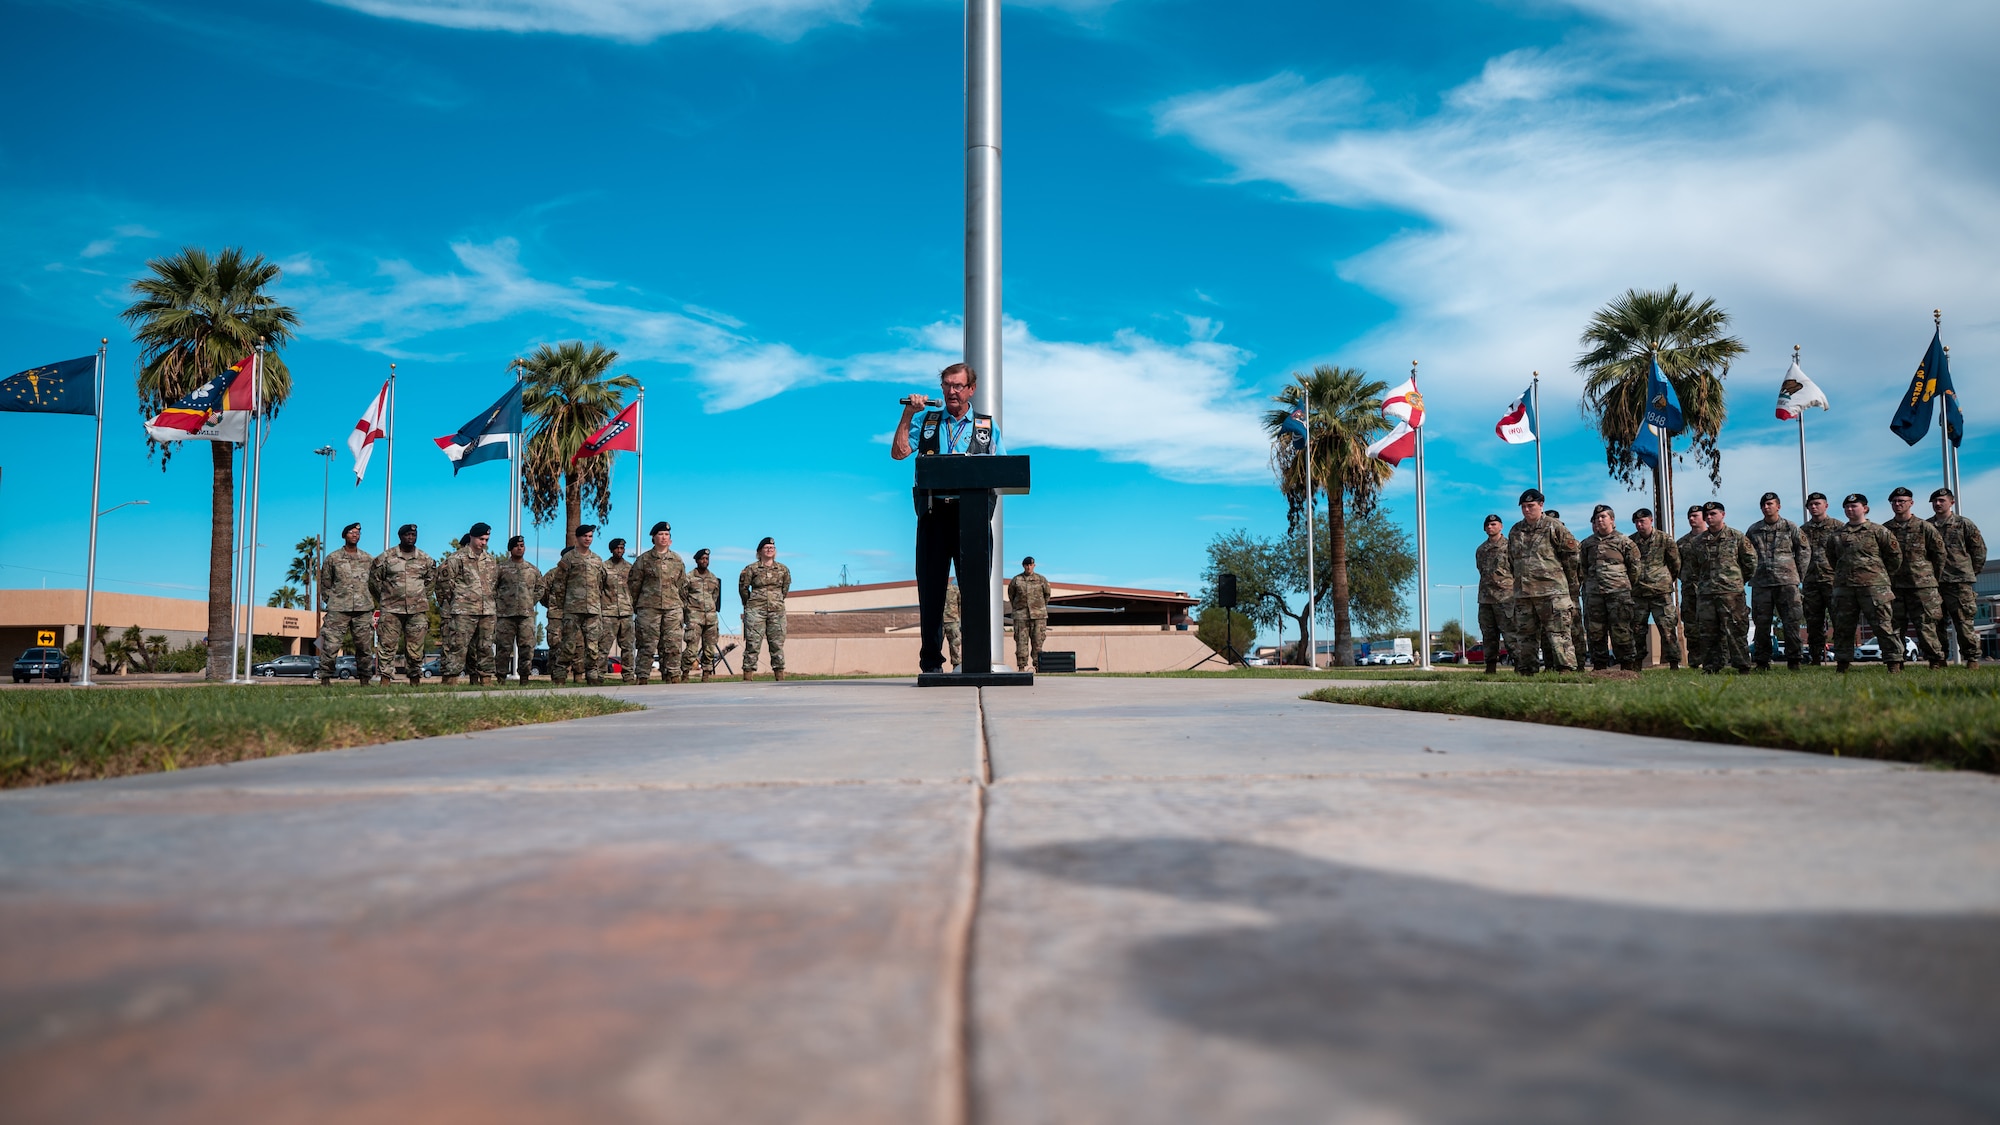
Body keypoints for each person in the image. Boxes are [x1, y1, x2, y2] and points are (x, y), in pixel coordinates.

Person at [890, 362, 1005, 674]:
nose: (952, 391)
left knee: (976, 592)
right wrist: (908, 414)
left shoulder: (985, 426)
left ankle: (976, 660)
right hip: (934, 515)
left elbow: (1003, 470)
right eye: (946, 385)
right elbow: (899, 452)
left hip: (973, 519)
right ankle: (931, 663)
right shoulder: (928, 422)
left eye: (958, 385)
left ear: (971, 389)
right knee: (931, 591)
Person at [1827, 493, 1902, 673]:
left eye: (1854, 506)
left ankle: (1893, 662)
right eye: (1847, 507)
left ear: (1865, 508)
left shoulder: (1878, 531)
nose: (1850, 509)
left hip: (1875, 587)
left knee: (1883, 625)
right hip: (1845, 588)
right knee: (1843, 627)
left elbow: (1894, 557)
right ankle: (1842, 663)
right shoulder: (1837, 535)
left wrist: (1879, 576)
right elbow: (1832, 558)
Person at [1508, 489, 1580, 674]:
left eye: (1530, 506)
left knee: (1559, 634)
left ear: (1541, 505)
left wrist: (1569, 584)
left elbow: (1572, 557)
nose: (1526, 510)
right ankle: (1527, 670)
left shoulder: (1554, 527)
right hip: (1524, 593)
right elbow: (1511, 560)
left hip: (1552, 591)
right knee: (1525, 635)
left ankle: (1566, 668)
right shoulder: (1516, 530)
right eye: (1523, 507)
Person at [1744, 492, 1810, 670]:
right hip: (1761, 584)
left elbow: (1804, 551)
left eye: (1770, 504)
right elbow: (1746, 554)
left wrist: (1798, 575)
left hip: (1786, 583)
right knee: (1761, 625)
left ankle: (1794, 661)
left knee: (1791, 622)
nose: (1767, 507)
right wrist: (1750, 574)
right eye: (1764, 505)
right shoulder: (1753, 530)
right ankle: (1762, 661)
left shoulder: (1790, 527)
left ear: (1778, 506)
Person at [1884, 486, 1947, 668]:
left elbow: (1939, 554)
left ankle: (1935, 661)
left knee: (1926, 626)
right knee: (1895, 627)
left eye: (1902, 501)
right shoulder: (1886, 529)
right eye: (1894, 502)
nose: (1898, 504)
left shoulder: (1925, 527)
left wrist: (1931, 577)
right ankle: (1896, 663)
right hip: (1896, 587)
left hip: (1923, 587)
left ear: (1911, 503)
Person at [370, 522, 436, 686]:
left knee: (415, 649)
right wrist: (385, 598)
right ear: (400, 537)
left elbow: (430, 582)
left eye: (413, 535)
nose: (411, 537)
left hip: (417, 610)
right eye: (407, 535)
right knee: (387, 647)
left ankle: (415, 680)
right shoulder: (386, 558)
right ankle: (385, 680)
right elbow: (374, 581)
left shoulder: (425, 559)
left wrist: (419, 597)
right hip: (391, 609)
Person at [549, 525, 617, 686]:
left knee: (593, 646)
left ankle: (592, 675)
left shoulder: (597, 560)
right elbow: (559, 585)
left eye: (590, 536)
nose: (588, 539)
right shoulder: (568, 559)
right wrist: (559, 609)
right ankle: (559, 673)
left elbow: (602, 584)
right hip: (572, 609)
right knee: (569, 645)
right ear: (578, 538)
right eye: (585, 536)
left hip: (593, 610)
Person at [1693, 501, 1755, 674]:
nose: (1710, 517)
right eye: (1707, 515)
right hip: (1707, 594)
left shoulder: (1737, 536)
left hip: (1731, 593)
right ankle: (1711, 667)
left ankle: (1743, 666)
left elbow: (1750, 562)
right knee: (1708, 632)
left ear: (1723, 515)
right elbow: (1694, 566)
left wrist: (1736, 580)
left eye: (1713, 514)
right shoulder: (1698, 542)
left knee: (1735, 630)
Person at [1579, 504, 1642, 671]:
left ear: (1612, 520)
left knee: (1621, 629)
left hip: (1618, 593)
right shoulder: (1587, 544)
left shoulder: (1625, 542)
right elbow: (1583, 568)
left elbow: (1635, 568)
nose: (1599, 520)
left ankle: (1627, 665)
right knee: (1595, 631)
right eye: (1597, 518)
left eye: (1603, 517)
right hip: (1594, 594)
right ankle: (1599, 665)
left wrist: (1623, 585)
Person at [1930, 487, 1988, 668]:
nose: (1938, 504)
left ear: (1952, 503)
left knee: (1963, 622)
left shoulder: (1964, 524)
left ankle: (1972, 659)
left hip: (1959, 581)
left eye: (1942, 501)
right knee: (1935, 623)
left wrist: (1970, 573)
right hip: (1933, 583)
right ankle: (1939, 659)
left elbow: (1979, 551)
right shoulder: (1926, 526)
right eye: (1935, 501)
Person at [437, 522, 499, 685]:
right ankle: (450, 681)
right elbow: (445, 584)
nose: (484, 543)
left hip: (487, 611)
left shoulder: (490, 560)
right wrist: (459, 600)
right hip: (464, 611)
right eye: (481, 539)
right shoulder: (457, 558)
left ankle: (486, 680)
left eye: (486, 539)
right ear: (471, 537)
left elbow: (494, 584)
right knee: (458, 646)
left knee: (486, 646)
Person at [316, 521, 374, 685]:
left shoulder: (368, 559)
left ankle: (365, 680)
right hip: (338, 609)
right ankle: (325, 679)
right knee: (330, 645)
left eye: (357, 533)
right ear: (344, 535)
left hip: (363, 609)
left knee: (364, 647)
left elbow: (375, 583)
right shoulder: (333, 558)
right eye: (351, 532)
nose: (355, 535)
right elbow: (325, 583)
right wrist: (332, 600)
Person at [629, 521, 686, 686]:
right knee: (647, 644)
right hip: (649, 608)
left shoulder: (677, 560)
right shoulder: (644, 560)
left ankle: (674, 675)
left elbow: (682, 585)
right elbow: (634, 584)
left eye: (666, 535)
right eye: (660, 534)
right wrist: (637, 605)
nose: (664, 537)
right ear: (653, 538)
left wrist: (681, 605)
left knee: (673, 643)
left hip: (673, 607)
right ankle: (642, 677)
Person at [1627, 508, 1682, 669]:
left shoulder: (1665, 540)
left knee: (1667, 628)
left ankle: (1673, 663)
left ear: (1651, 520)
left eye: (1642, 521)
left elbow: (1675, 564)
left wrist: (1664, 579)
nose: (1639, 525)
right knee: (1637, 630)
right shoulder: (1631, 542)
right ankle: (1637, 664)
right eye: (1636, 522)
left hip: (1660, 592)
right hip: (1638, 593)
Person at [1798, 492, 1841, 665]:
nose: (1814, 507)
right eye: (1811, 505)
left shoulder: (1839, 527)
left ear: (1826, 506)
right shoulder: (1802, 530)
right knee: (1813, 623)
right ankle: (1815, 658)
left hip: (1833, 581)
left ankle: (1842, 658)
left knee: (1839, 620)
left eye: (1818, 504)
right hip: (1810, 583)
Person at [740, 537, 792, 680]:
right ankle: (748, 675)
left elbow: (785, 589)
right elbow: (743, 588)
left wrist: (777, 601)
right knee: (752, 642)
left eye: (772, 548)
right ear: (760, 551)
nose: (769, 550)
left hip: (777, 610)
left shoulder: (783, 569)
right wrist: (750, 603)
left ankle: (779, 674)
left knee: (777, 643)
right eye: (766, 548)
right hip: (756, 610)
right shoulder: (751, 569)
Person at [494, 535, 542, 685]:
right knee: (503, 648)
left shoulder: (532, 570)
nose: (520, 548)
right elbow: (492, 588)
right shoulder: (501, 569)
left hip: (526, 615)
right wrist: (500, 603)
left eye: (522, 545)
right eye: (516, 546)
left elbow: (540, 588)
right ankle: (501, 678)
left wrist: (530, 601)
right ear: (510, 549)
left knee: (527, 648)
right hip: (505, 615)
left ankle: (525, 678)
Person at [1474, 514, 1514, 674]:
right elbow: (1480, 570)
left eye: (1494, 524)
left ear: (1501, 526)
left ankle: (1519, 665)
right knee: (1488, 635)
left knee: (1510, 633)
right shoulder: (1481, 550)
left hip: (1506, 597)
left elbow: (1516, 569)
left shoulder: (1510, 546)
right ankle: (1490, 667)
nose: (1490, 527)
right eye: (1488, 525)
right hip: (1485, 598)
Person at [681, 548, 723, 681]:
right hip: (694, 617)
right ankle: (685, 673)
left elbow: (715, 596)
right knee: (692, 649)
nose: (704, 561)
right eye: (702, 559)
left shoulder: (713, 578)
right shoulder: (689, 578)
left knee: (709, 649)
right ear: (697, 560)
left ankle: (706, 673)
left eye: (706, 559)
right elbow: (683, 595)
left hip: (711, 618)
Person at [1677, 505, 1709, 670]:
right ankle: (1695, 661)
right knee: (1691, 627)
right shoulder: (1681, 543)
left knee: (1712, 625)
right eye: (1689, 516)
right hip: (1689, 591)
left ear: (1704, 517)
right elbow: (1675, 566)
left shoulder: (1713, 537)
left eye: (1695, 516)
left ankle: (1717, 660)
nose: (1691, 519)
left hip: (1711, 590)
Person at [603, 537, 638, 684]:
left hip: (626, 613)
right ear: (611, 550)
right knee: (603, 646)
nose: (620, 551)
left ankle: (629, 676)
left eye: (622, 548)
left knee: (628, 647)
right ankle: (598, 675)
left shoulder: (630, 568)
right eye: (617, 548)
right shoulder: (603, 567)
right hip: (608, 613)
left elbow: (635, 589)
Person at [1009, 556, 1052, 672]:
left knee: (1038, 642)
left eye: (1030, 565)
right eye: (1026, 565)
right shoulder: (1016, 580)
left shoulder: (1041, 579)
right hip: (1021, 616)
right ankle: (1021, 667)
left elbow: (1047, 595)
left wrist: (1039, 608)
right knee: (1021, 642)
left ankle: (1038, 666)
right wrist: (1019, 609)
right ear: (1023, 566)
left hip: (1038, 616)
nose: (1028, 567)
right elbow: (1011, 596)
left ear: (1034, 565)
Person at [541, 547, 569, 680]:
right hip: (556, 616)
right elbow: (542, 592)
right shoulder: (552, 574)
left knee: (575, 645)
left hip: (573, 615)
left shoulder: (577, 574)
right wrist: (552, 605)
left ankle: (576, 675)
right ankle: (554, 674)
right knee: (555, 645)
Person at [943, 577, 963, 672]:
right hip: (940, 622)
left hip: (953, 621)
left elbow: (960, 604)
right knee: (935, 644)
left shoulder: (955, 589)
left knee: (955, 644)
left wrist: (959, 619)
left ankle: (957, 666)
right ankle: (935, 667)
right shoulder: (935, 590)